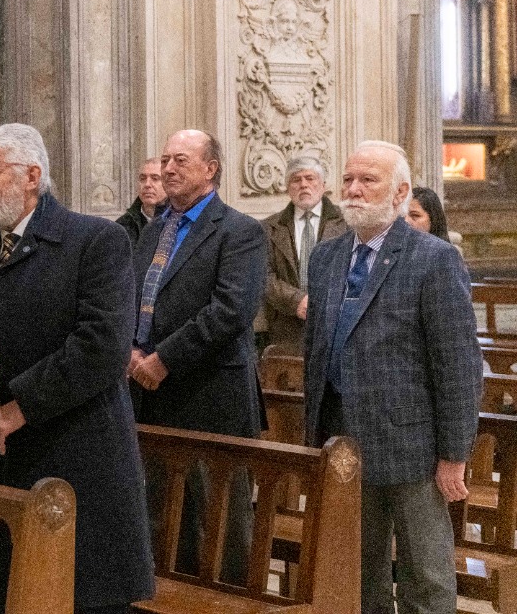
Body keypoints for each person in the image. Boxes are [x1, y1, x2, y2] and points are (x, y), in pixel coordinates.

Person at [0, 124, 153, 614]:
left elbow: (102, 344)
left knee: (78, 593)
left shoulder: (95, 240)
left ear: (32, 176)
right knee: (5, 590)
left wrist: (20, 406)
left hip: (76, 450)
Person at [305, 140, 482, 612]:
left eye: (368, 180)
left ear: (400, 191)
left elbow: (458, 365)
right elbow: (315, 352)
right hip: (342, 439)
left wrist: (454, 455)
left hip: (413, 445)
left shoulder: (432, 258)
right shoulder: (326, 257)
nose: (354, 190)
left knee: (425, 576)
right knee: (360, 574)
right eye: (348, 179)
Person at [129, 129, 267, 586]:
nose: (167, 169)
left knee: (219, 528)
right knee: (161, 523)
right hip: (152, 397)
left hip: (212, 399)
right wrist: (130, 349)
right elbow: (131, 298)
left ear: (210, 169)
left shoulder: (240, 232)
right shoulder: (152, 231)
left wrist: (162, 359)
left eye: (180, 161)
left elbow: (229, 312)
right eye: (165, 159)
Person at [260, 156, 347, 353]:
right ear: (287, 187)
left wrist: (322, 303)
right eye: (296, 180)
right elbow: (262, 276)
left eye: (310, 178)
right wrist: (296, 300)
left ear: (323, 185)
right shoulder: (268, 228)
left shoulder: (348, 224)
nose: (303, 185)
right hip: (286, 328)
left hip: (336, 326)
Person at [116, 157, 167, 246]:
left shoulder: (179, 220)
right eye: (142, 179)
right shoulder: (123, 226)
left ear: (169, 183)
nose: (147, 184)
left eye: (155, 178)